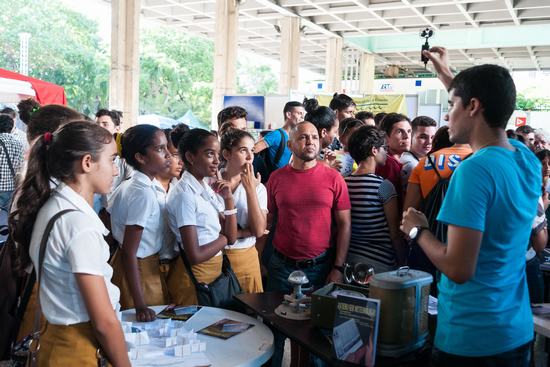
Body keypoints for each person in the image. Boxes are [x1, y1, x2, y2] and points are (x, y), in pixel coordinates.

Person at [401, 46, 539, 366]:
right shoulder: (524, 159)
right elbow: (485, 97)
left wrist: (418, 230)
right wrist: (445, 72)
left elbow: (459, 268)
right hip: (515, 330)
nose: (448, 115)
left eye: (452, 105)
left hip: (473, 338)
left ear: (473, 106)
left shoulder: (474, 171)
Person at [9, 121, 130, 366]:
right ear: (87, 162)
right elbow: (104, 321)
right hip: (76, 350)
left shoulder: (54, 205)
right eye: (111, 160)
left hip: (56, 340)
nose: (116, 171)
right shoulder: (78, 223)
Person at [266, 121, 351, 367]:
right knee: (275, 332)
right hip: (281, 266)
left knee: (316, 338)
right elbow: (270, 222)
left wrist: (338, 267)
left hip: (320, 268)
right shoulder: (276, 178)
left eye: (314, 136)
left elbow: (345, 225)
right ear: (291, 144)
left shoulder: (334, 178)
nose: (311, 141)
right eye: (303, 137)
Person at [165, 129, 237, 306]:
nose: (217, 161)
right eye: (209, 154)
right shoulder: (184, 195)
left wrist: (228, 200)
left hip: (215, 270)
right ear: (190, 157)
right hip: (198, 275)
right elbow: (195, 255)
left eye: (217, 154)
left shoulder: (204, 187)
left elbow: (232, 237)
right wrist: (224, 239)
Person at [108, 124, 171, 320]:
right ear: (140, 157)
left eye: (166, 147)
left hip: (138, 266)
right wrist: (140, 304)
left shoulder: (133, 185)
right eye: (160, 149)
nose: (168, 154)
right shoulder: (142, 193)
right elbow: (129, 251)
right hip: (138, 270)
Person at [346, 125, 403, 272]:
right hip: (380, 264)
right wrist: (403, 261)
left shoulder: (344, 183)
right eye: (384, 148)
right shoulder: (383, 186)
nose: (386, 152)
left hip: (349, 262)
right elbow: (394, 233)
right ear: (374, 150)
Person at [220, 129, 267, 293]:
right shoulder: (210, 182)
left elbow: (259, 230)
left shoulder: (258, 188)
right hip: (213, 259)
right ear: (226, 154)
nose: (250, 157)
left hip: (245, 257)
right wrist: (243, 232)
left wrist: (250, 190)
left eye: (252, 150)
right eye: (243, 150)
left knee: (247, 313)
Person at [404, 126, 472, 210]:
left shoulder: (424, 162)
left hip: (430, 221)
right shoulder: (479, 159)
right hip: (466, 220)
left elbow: (409, 209)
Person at [156, 128, 185, 303]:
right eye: (175, 155)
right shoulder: (142, 190)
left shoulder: (180, 187)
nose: (180, 161)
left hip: (176, 265)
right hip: (149, 266)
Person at [253, 101, 304, 171]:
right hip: (276, 178)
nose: (302, 117)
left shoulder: (295, 137)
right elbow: (253, 150)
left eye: (303, 114)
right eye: (299, 113)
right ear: (288, 115)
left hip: (289, 177)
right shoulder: (276, 135)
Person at [376, 112, 411, 209]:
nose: (407, 136)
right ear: (386, 137)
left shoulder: (409, 158)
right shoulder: (387, 163)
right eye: (400, 132)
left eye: (409, 131)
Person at [400, 116, 437, 192]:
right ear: (410, 137)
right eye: (423, 137)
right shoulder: (410, 164)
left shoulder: (424, 160)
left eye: (432, 137)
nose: (429, 142)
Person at [303, 98, 340, 169]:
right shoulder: (307, 160)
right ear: (323, 132)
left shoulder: (303, 153)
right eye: (335, 132)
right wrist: (328, 168)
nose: (336, 136)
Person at [0, 115, 24, 214]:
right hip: (11, 189)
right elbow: (20, 168)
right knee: (6, 218)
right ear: (12, 127)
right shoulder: (18, 144)